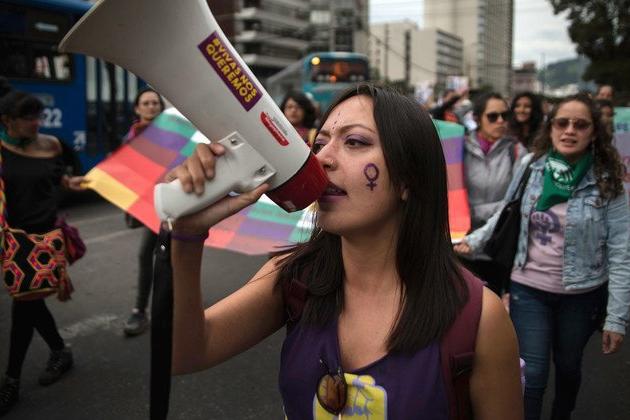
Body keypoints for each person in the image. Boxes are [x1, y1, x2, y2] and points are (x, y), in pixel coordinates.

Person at [165, 83, 523, 418]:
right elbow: (185, 353)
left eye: (354, 142)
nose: (322, 159)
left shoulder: (478, 318)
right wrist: (188, 235)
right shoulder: (293, 276)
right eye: (319, 144)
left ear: (408, 179)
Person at [455, 93, 630, 420]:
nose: (569, 130)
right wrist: (472, 241)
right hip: (528, 289)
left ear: (594, 132)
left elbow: (622, 252)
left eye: (580, 124)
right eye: (562, 123)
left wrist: (617, 318)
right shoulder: (531, 166)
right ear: (550, 128)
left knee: (568, 368)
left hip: (582, 295)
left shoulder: (609, 180)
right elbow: (505, 213)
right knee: (532, 375)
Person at [0, 86, 86, 416]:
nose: (36, 122)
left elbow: (59, 177)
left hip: (47, 241)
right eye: (27, 118)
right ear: (7, 120)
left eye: (37, 116)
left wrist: (71, 183)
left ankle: (11, 380)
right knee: (30, 303)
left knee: (25, 305)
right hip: (15, 241)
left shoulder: (51, 145)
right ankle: (59, 351)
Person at [460, 92, 526, 296]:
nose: (500, 121)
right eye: (492, 116)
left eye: (505, 115)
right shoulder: (457, 148)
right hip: (459, 244)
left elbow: (514, 202)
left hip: (496, 246)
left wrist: (476, 212)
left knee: (490, 305)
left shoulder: (517, 151)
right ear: (477, 118)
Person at [122, 87, 166, 336]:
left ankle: (166, 308)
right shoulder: (130, 138)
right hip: (149, 208)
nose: (151, 106)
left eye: (155, 103)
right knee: (147, 255)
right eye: (146, 103)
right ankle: (141, 310)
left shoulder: (174, 135)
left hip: (173, 206)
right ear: (137, 109)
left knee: (171, 258)